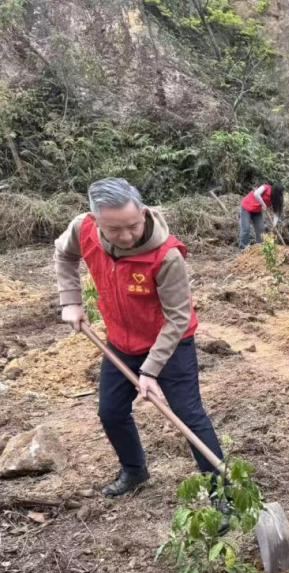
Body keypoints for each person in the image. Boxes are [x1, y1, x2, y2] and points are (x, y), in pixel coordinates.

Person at [55, 177, 225, 497]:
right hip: (121, 341)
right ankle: (134, 471)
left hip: (169, 344)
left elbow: (178, 317)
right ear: (96, 221)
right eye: (114, 230)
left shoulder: (166, 256)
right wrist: (71, 302)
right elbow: (64, 255)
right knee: (111, 411)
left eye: (132, 225)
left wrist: (150, 371)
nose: (127, 236)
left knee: (188, 416)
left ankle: (222, 492)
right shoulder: (84, 228)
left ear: (143, 212)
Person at [238, 182, 284, 249]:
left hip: (257, 211)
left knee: (261, 228)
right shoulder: (266, 187)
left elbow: (276, 212)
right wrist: (263, 204)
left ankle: (260, 247)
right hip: (246, 207)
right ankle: (243, 247)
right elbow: (256, 194)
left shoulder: (275, 199)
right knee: (246, 228)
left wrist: (274, 224)